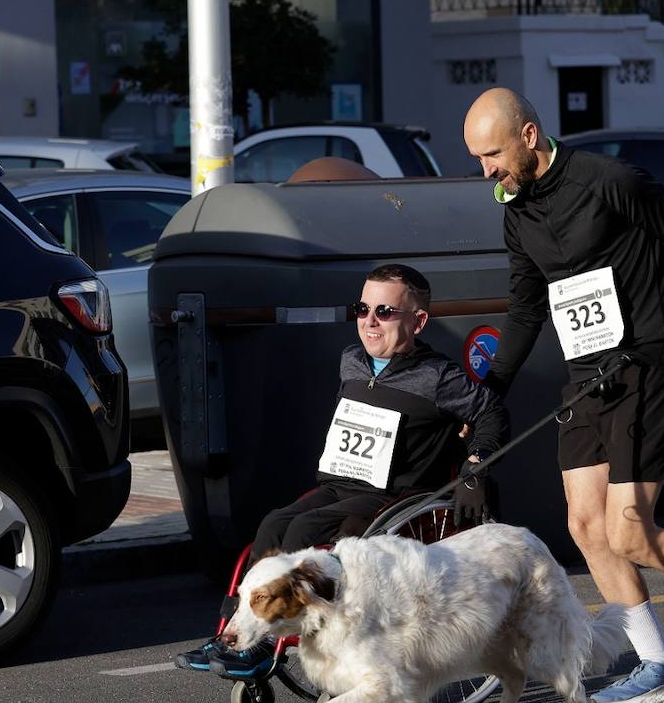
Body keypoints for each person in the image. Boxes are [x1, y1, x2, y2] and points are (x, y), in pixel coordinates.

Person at [462, 87, 664, 703]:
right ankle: (662, 665)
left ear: (529, 136)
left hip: (645, 367)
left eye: (493, 154)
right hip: (586, 377)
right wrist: (489, 392)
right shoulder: (517, 213)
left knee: (630, 532)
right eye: (478, 158)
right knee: (586, 528)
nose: (487, 171)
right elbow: (528, 310)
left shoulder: (607, 179)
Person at [177, 263, 508, 672]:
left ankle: (265, 642)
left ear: (418, 321)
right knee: (272, 525)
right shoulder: (352, 361)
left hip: (389, 495)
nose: (370, 321)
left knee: (302, 534)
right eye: (362, 309)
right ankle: (233, 631)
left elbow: (492, 411)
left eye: (385, 312)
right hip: (340, 483)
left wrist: (474, 466)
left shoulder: (437, 377)